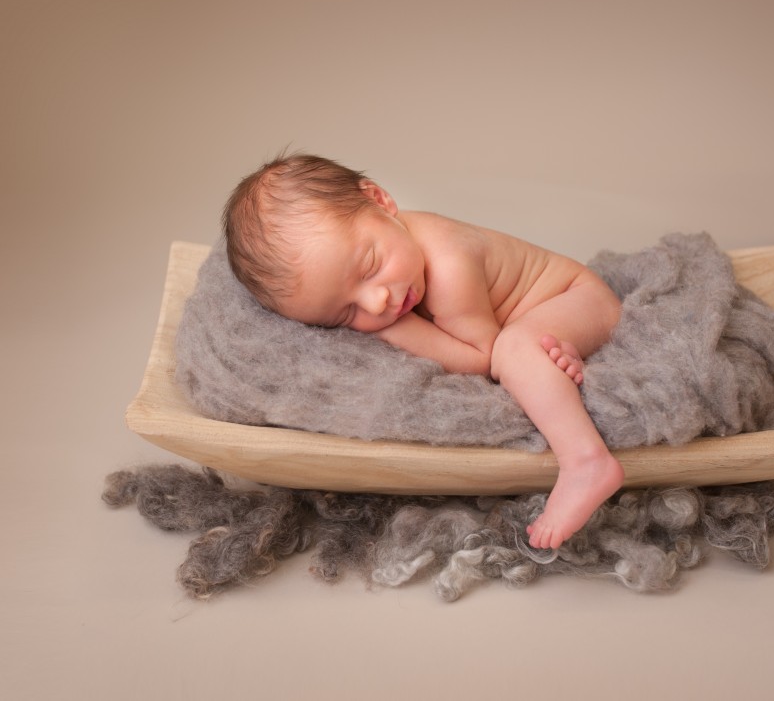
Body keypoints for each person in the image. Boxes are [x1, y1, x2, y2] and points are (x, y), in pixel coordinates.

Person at [223, 154, 624, 550]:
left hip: (579, 299)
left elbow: (481, 358)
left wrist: (402, 329)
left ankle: (586, 461)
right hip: (549, 319)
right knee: (523, 344)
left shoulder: (448, 264)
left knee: (514, 350)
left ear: (380, 201)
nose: (377, 302)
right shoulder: (392, 252)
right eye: (346, 312)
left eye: (369, 267)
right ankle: (558, 360)